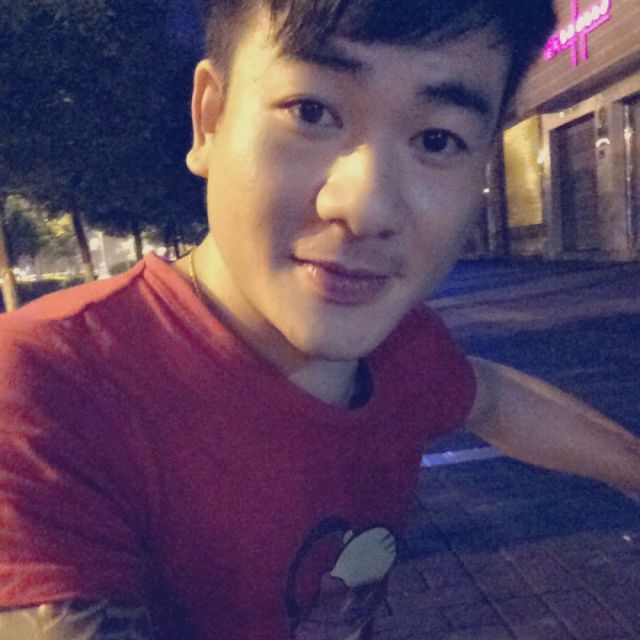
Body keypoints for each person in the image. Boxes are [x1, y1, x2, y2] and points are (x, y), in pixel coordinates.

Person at [0, 0, 638, 638]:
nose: (366, 207)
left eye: (437, 140)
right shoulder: (48, 390)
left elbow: (489, 397)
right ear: (210, 119)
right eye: (311, 111)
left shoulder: (399, 349)